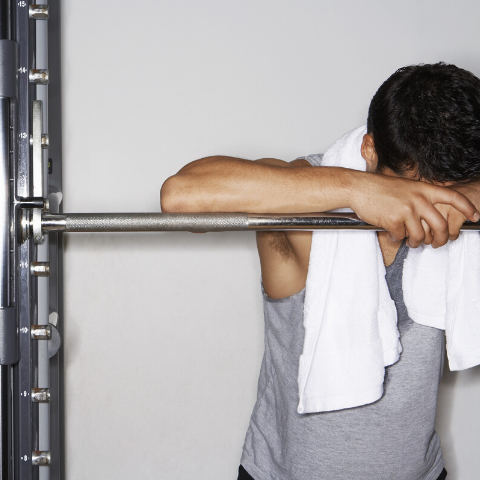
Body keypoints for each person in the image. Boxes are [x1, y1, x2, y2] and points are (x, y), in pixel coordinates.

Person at [160, 63, 480, 480]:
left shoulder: (467, 204)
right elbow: (181, 196)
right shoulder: (299, 199)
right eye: (410, 190)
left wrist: (470, 197)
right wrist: (355, 189)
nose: (427, 212)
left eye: (445, 195)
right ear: (369, 149)